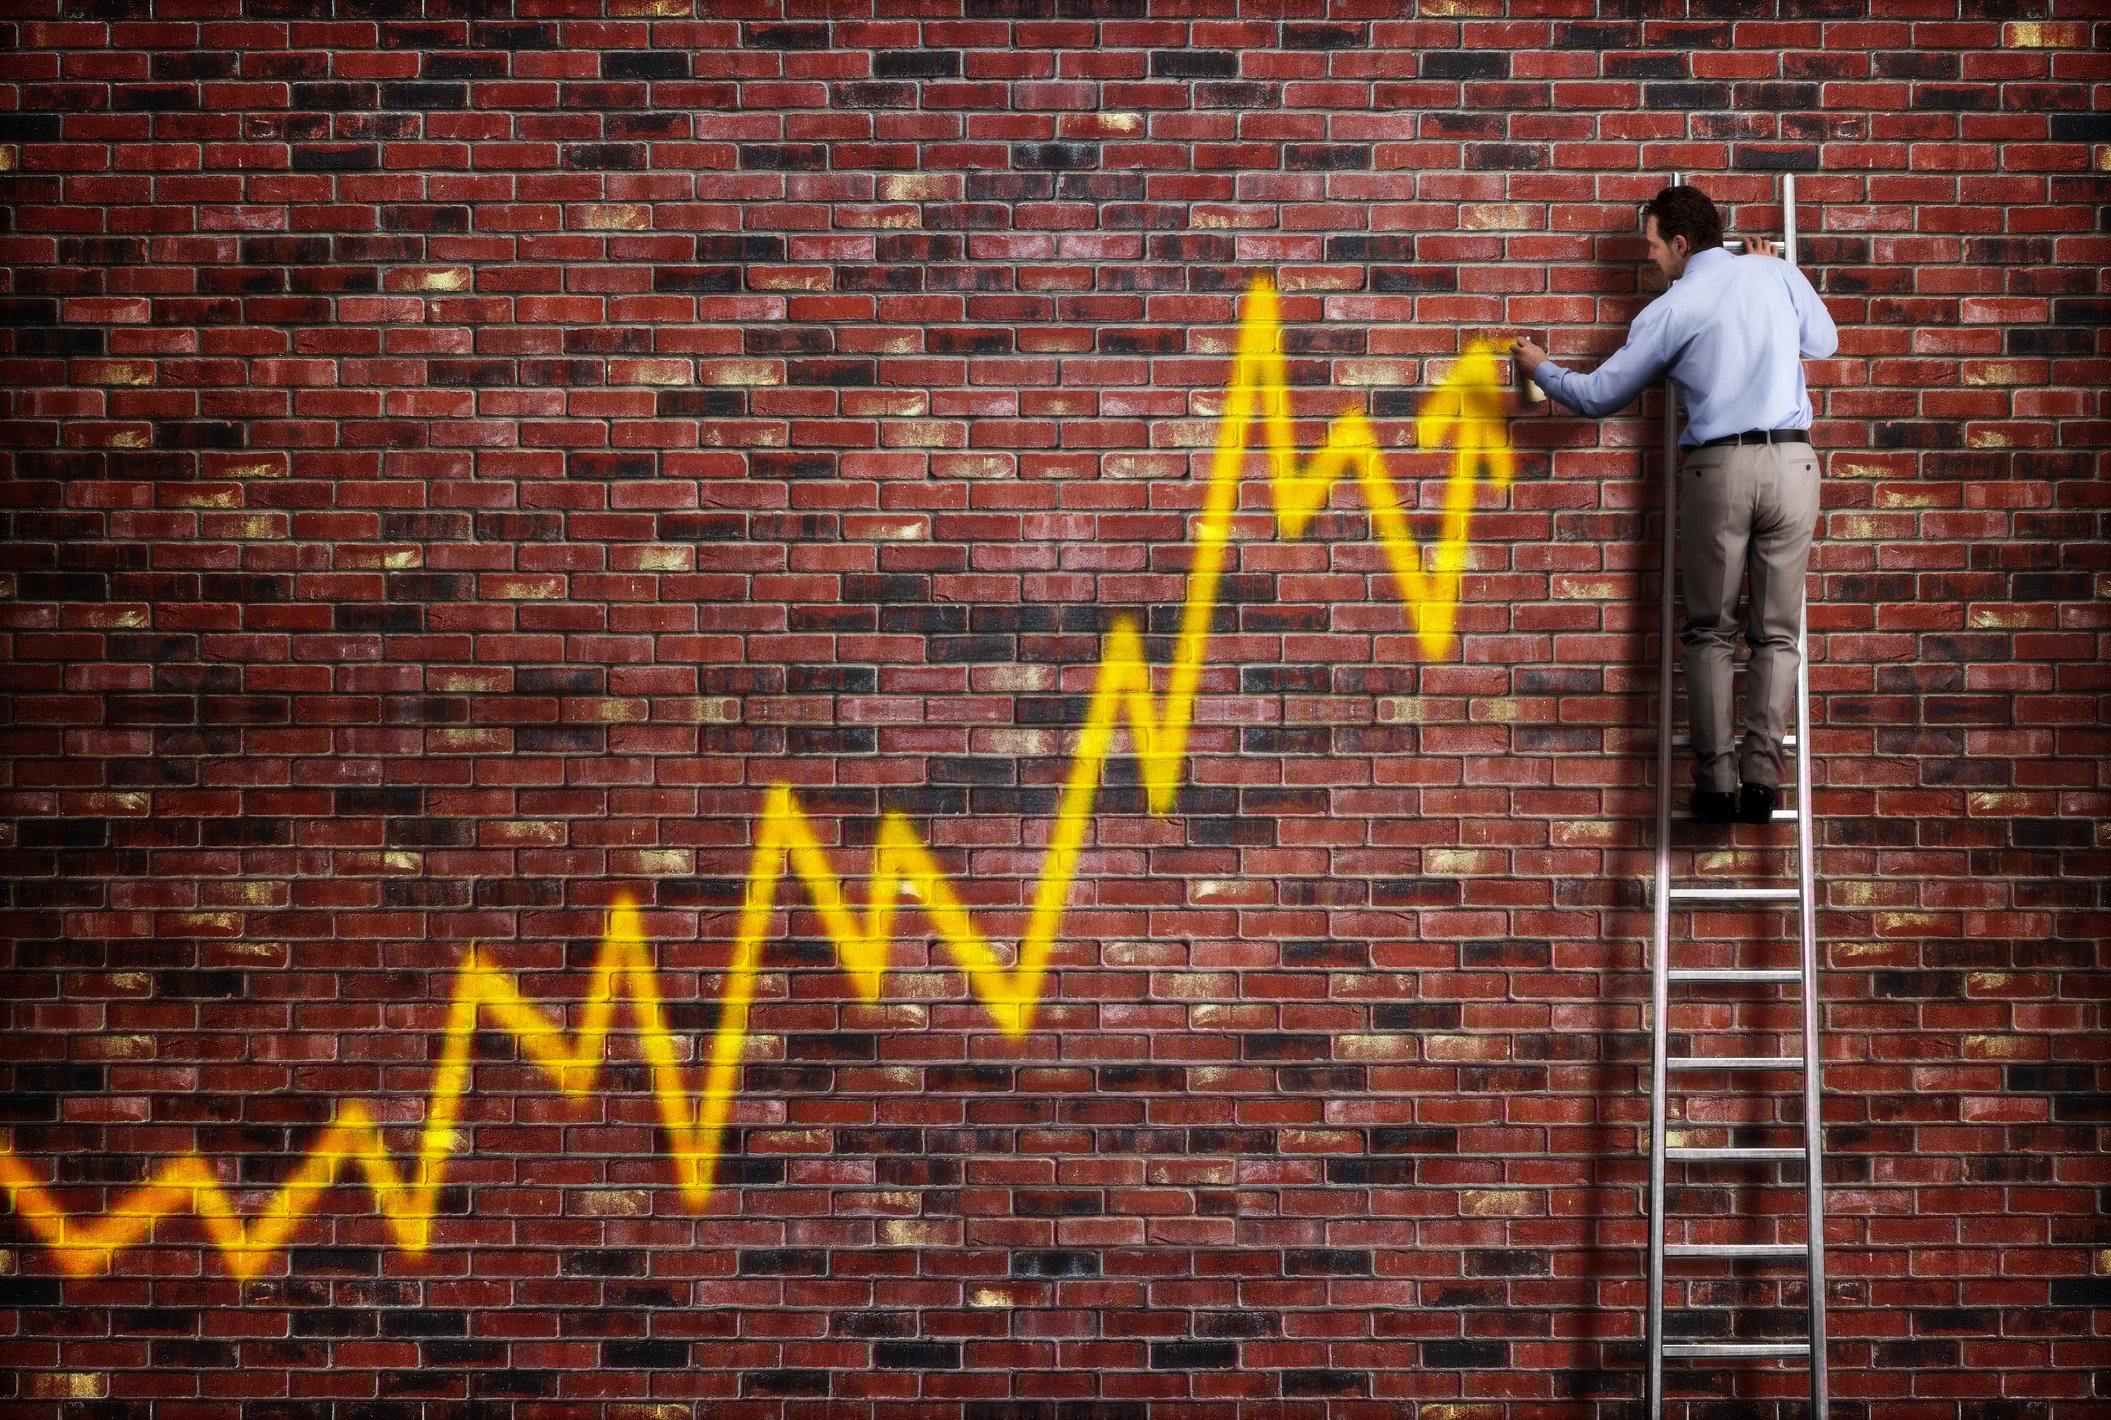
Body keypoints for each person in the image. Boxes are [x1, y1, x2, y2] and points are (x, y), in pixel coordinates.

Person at [1510, 184, 1837, 827]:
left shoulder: (1671, 307)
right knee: (1777, 632)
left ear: (1682, 243)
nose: (1653, 258)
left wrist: (1542, 368)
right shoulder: (1772, 272)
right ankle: (1763, 782)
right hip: (1795, 466)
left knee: (1710, 629)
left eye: (1655, 245)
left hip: (1720, 471)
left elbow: (1600, 396)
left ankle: (1716, 784)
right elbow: (1821, 343)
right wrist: (1780, 272)